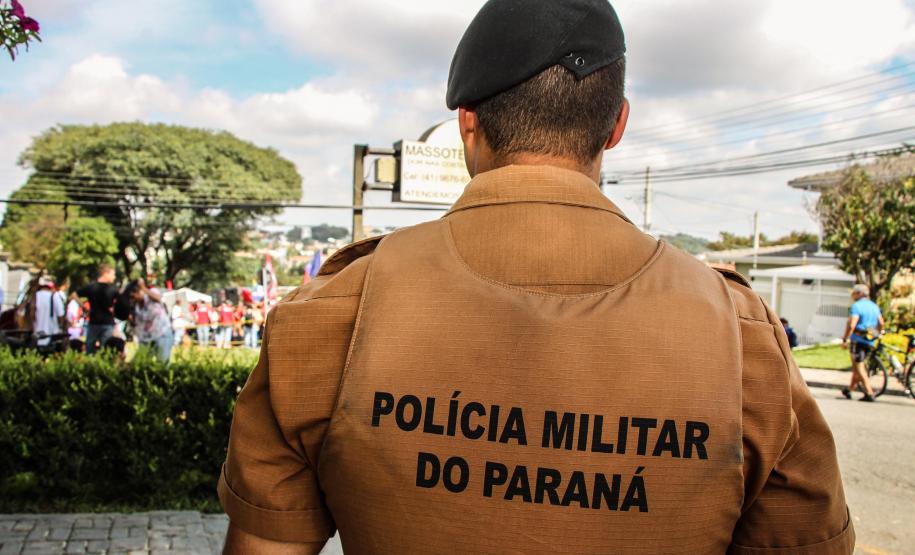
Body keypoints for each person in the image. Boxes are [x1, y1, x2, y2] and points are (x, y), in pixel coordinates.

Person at [218, 2, 854, 553]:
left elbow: (266, 544)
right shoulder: (743, 341)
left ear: (467, 121)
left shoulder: (330, 314)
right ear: (617, 125)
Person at [841, 284, 884, 402]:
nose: (853, 295)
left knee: (859, 366)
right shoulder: (874, 306)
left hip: (858, 340)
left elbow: (852, 324)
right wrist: (877, 333)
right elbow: (881, 323)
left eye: (854, 293)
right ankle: (850, 389)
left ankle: (869, 392)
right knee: (857, 366)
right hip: (870, 340)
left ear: (859, 294)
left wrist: (845, 338)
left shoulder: (857, 306)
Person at [76, 264, 120, 354]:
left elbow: (74, 294)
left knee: (90, 347)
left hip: (94, 321)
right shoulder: (113, 289)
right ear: (105, 273)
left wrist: (83, 306)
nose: (114, 277)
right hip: (107, 322)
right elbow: (119, 302)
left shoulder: (91, 287)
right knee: (106, 348)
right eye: (112, 274)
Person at [130, 278, 173, 362]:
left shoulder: (151, 294)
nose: (133, 298)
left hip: (162, 334)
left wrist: (143, 288)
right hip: (146, 338)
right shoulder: (136, 307)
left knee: (162, 361)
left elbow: (158, 298)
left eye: (134, 294)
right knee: (140, 362)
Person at [31, 276, 65, 349]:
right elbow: (61, 315)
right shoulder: (55, 296)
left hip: (36, 336)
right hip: (52, 336)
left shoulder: (34, 297)